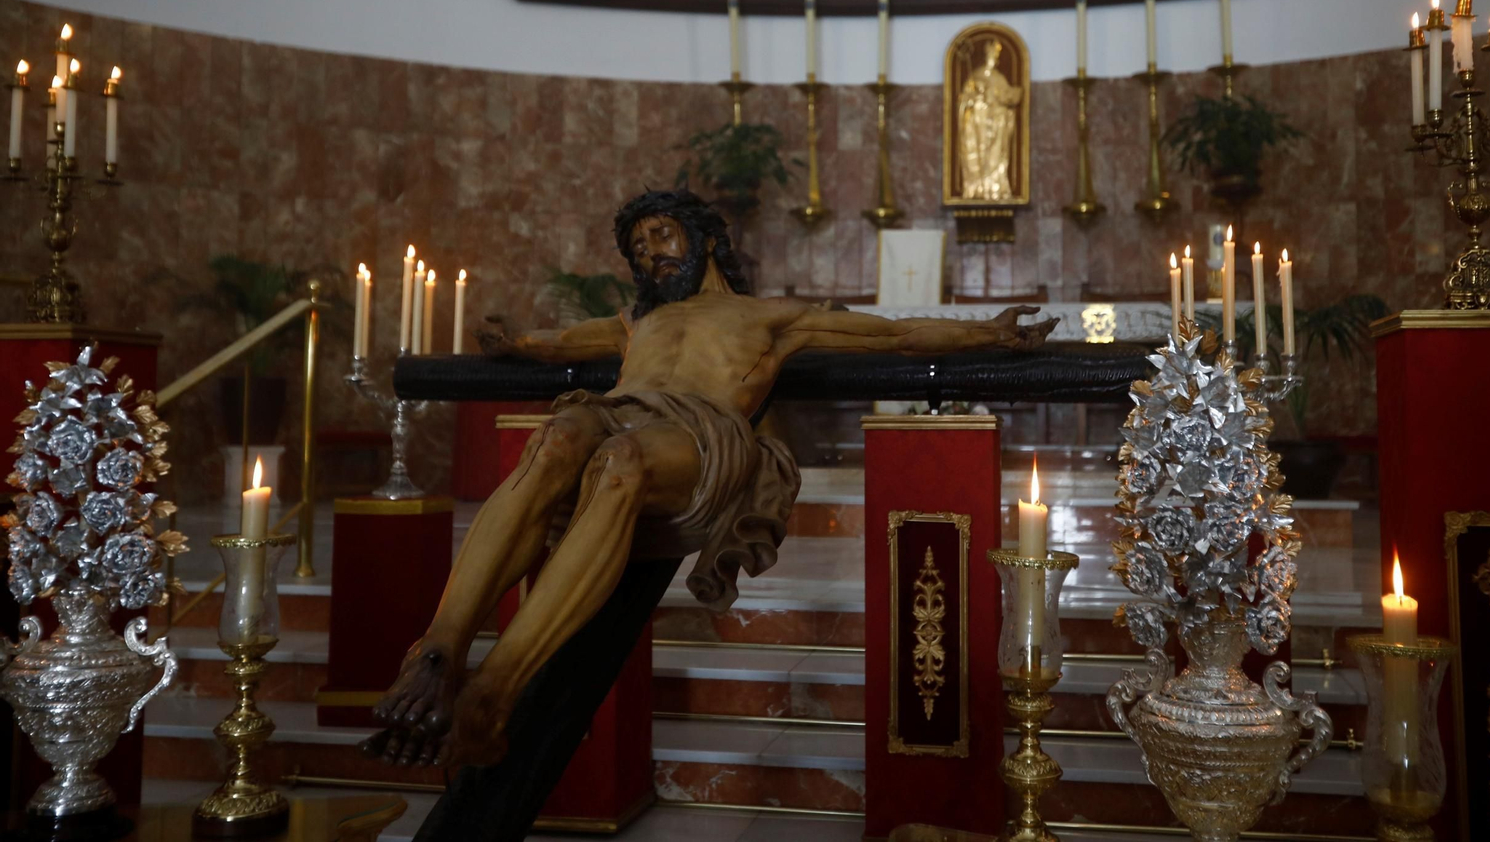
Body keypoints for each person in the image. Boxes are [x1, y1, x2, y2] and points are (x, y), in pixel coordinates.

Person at [362, 189, 1054, 823]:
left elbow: (898, 335)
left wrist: (989, 334)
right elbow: (554, 346)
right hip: (619, 413)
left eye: (661, 236)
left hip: (698, 435)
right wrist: (511, 345)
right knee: (559, 435)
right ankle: (438, 653)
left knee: (619, 464)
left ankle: (496, 691)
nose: (650, 254)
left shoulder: (770, 317)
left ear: (705, 240)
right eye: (638, 248)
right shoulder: (637, 322)